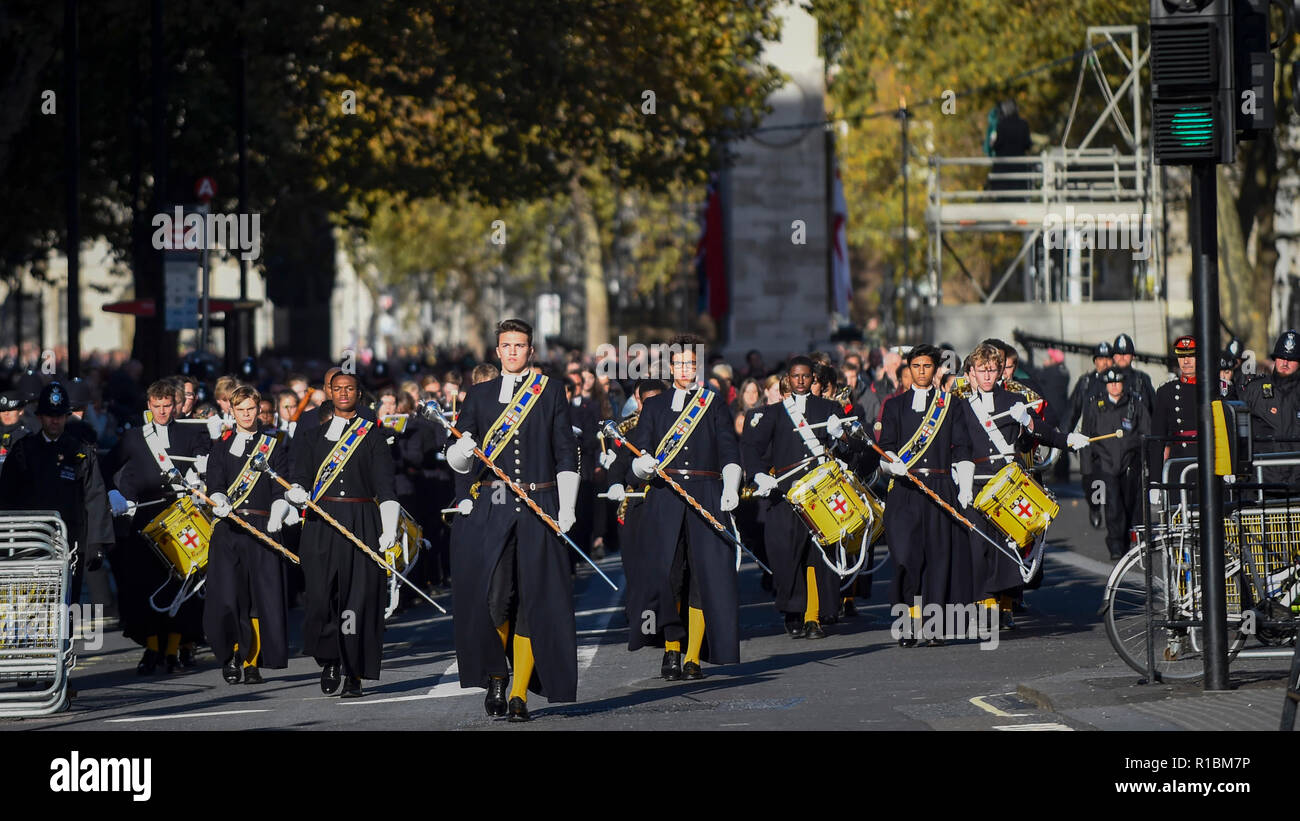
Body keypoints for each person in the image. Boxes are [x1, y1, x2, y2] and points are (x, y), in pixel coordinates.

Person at [445, 318, 579, 722]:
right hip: (494, 510)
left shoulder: (551, 391)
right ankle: (497, 675)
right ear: (497, 350)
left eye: (520, 345)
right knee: (496, 599)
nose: (513, 352)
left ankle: (519, 693)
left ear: (531, 351)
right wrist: (463, 449)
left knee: (535, 603)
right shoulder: (480, 395)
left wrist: (568, 506)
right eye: (507, 345)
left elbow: (564, 450)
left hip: (540, 507)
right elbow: (459, 461)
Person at [616, 335, 743, 680]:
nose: (686, 369)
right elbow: (638, 455)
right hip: (665, 496)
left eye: (691, 364)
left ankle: (692, 656)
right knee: (668, 576)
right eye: (680, 364)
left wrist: (730, 487)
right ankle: (672, 650)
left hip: (705, 493)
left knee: (704, 578)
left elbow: (729, 450)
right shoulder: (656, 407)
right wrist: (642, 466)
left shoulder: (713, 403)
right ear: (671, 367)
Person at [952, 344, 1089, 627]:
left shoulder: (1014, 400)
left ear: (1000, 371)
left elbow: (1042, 431)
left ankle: (1004, 604)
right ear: (973, 373)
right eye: (982, 370)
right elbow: (960, 445)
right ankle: (986, 603)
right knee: (979, 547)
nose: (988, 376)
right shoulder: (962, 406)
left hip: (1009, 483)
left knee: (1008, 545)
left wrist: (1063, 438)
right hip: (978, 483)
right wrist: (963, 483)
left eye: (992, 370)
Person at [284, 370, 399, 698]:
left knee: (357, 600)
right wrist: (296, 492)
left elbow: (385, 486)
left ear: (358, 394)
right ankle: (329, 656)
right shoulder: (311, 437)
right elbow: (300, 475)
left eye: (350, 388)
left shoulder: (373, 436)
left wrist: (388, 526)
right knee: (322, 597)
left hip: (361, 519)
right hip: (322, 522)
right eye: (338, 388)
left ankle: (354, 672)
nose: (344, 393)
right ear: (329, 393)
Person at [741, 355, 870, 639]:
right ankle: (793, 610)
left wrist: (843, 436)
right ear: (788, 378)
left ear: (813, 379)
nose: (800, 381)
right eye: (795, 376)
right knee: (787, 557)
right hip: (786, 495)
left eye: (806, 376)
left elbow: (856, 448)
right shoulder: (773, 413)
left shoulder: (828, 408)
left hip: (821, 495)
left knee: (817, 556)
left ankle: (813, 617)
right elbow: (752, 449)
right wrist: (759, 474)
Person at [107, 379, 211, 674]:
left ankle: (173, 650)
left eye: (167, 406)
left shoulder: (192, 432)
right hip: (145, 517)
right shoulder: (133, 437)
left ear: (175, 405)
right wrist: (114, 494)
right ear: (148, 406)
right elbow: (104, 468)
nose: (163, 412)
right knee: (144, 584)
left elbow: (207, 460)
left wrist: (202, 468)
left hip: (180, 516)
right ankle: (152, 647)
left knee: (183, 584)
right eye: (157, 407)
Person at [877, 344, 972, 646]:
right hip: (905, 491)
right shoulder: (894, 406)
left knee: (937, 559)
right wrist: (893, 466)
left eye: (926, 366)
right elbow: (885, 446)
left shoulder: (950, 405)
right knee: (906, 558)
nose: (921, 371)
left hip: (939, 487)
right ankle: (907, 622)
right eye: (916, 366)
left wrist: (966, 486)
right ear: (908, 369)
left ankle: (933, 628)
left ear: (935, 370)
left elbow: (963, 447)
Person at [202, 385, 292, 685]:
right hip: (230, 530)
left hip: (263, 530)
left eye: (251, 409)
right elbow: (214, 482)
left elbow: (281, 487)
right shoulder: (221, 448)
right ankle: (232, 656)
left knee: (258, 600)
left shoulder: (273, 446)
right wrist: (219, 499)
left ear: (258, 409)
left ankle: (253, 662)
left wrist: (279, 511)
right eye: (240, 410)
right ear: (232, 412)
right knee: (230, 597)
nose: (246, 415)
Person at [0, 382, 114, 608]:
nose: (55, 421)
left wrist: (96, 543)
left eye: (60, 416)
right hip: (30, 540)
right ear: (40, 417)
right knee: (30, 605)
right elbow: (7, 496)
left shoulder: (80, 452)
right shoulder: (23, 450)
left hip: (70, 540)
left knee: (65, 604)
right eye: (50, 415)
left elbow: (95, 496)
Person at [1080, 369, 1149, 560]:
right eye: (1111, 383)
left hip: (1129, 463)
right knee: (1112, 504)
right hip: (1105, 463)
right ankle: (1115, 543)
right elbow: (1087, 437)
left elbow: (1146, 433)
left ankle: (1126, 539)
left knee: (1128, 503)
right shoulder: (1095, 405)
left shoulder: (1134, 404)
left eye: (1118, 382)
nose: (1114, 386)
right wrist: (1087, 469)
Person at [1239, 329, 1300, 490]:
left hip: (1296, 485)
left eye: (1291, 359)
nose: (1285, 363)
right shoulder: (1255, 390)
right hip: (1261, 485)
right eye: (1281, 357)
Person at [1069, 341, 1113, 529]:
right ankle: (1095, 506)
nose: (1104, 363)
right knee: (1090, 478)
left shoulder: (1116, 381)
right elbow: (1072, 410)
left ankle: (1113, 513)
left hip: (1110, 439)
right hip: (1088, 439)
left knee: (1111, 477)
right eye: (1100, 359)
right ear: (1095, 361)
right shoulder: (1085, 382)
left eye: (1107, 359)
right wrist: (1065, 437)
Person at [1148, 336, 1198, 484]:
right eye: (1182, 356)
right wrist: (1155, 480)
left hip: (1210, 461)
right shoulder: (1166, 392)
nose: (1186, 361)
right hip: (1180, 462)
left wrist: (1229, 467)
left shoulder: (1215, 388)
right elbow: (1157, 439)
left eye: (1191, 356)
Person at [1111, 334, 1155, 415]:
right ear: (1113, 357)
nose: (1122, 357)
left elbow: (1155, 410)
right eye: (1119, 354)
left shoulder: (1143, 379)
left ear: (1133, 356)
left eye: (1126, 354)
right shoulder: (1105, 380)